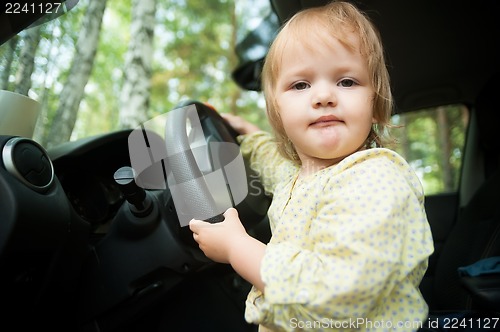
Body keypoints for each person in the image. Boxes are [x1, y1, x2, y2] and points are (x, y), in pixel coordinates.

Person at [189, 1, 434, 331]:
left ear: (374, 105)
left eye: (346, 81)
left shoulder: (374, 179)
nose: (323, 96)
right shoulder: (301, 173)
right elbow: (272, 160)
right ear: (278, 112)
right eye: (300, 85)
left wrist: (238, 248)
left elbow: (338, 295)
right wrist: (246, 133)